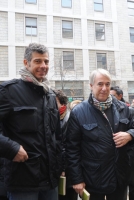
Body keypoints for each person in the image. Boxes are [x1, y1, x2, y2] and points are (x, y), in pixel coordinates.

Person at [0, 43, 62, 200]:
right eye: (38, 61)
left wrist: (61, 164)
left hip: (50, 181)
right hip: (22, 181)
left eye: (46, 62)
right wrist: (11, 149)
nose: (43, 66)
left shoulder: (49, 95)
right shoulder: (8, 91)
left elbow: (57, 136)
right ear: (26, 63)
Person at [66, 68, 134, 200]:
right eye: (100, 84)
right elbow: (72, 149)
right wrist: (76, 179)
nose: (104, 88)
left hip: (119, 177)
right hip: (92, 178)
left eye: (107, 84)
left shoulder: (123, 109)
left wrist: (130, 135)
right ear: (91, 86)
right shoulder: (79, 112)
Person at [110, 86, 134, 200]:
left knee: (132, 183)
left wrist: (129, 136)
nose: (110, 97)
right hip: (115, 157)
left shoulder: (129, 110)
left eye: (113, 95)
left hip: (128, 154)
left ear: (120, 96)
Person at [54, 90, 77, 200]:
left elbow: (68, 147)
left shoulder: (69, 118)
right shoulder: (52, 117)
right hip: (56, 168)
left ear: (62, 103)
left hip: (67, 169)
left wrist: (63, 168)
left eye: (55, 102)